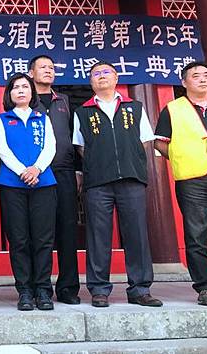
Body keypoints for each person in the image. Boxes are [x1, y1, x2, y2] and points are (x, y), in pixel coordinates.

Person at [72, 61, 162, 308]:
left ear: (116, 77)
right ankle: (99, 289)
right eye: (96, 74)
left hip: (131, 180)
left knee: (137, 235)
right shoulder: (82, 112)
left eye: (106, 73)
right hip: (98, 182)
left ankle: (140, 288)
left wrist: (128, 162)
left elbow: (145, 141)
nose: (101, 77)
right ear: (91, 82)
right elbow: (80, 147)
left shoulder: (135, 107)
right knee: (98, 236)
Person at [154, 61, 207, 306]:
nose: (202, 79)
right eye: (196, 76)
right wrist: (183, 157)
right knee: (196, 235)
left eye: (206, 75)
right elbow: (160, 142)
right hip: (192, 178)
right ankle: (205, 287)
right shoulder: (172, 108)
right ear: (184, 82)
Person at [0, 72, 57, 311]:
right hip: (13, 185)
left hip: (43, 183)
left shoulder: (43, 118)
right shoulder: (1, 119)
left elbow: (50, 146)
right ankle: (25, 291)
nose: (21, 90)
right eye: (16, 87)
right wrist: (23, 171)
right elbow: (2, 149)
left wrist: (37, 169)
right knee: (19, 239)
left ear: (32, 92)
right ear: (9, 94)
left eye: (25, 87)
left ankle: (43, 290)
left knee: (43, 239)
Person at [29, 54, 81, 305]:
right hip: (35, 175)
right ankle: (39, 287)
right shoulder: (26, 102)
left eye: (51, 67)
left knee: (67, 230)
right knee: (39, 232)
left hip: (64, 171)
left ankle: (68, 287)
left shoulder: (65, 101)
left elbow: (76, 137)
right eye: (42, 67)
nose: (48, 71)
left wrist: (78, 170)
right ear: (31, 73)